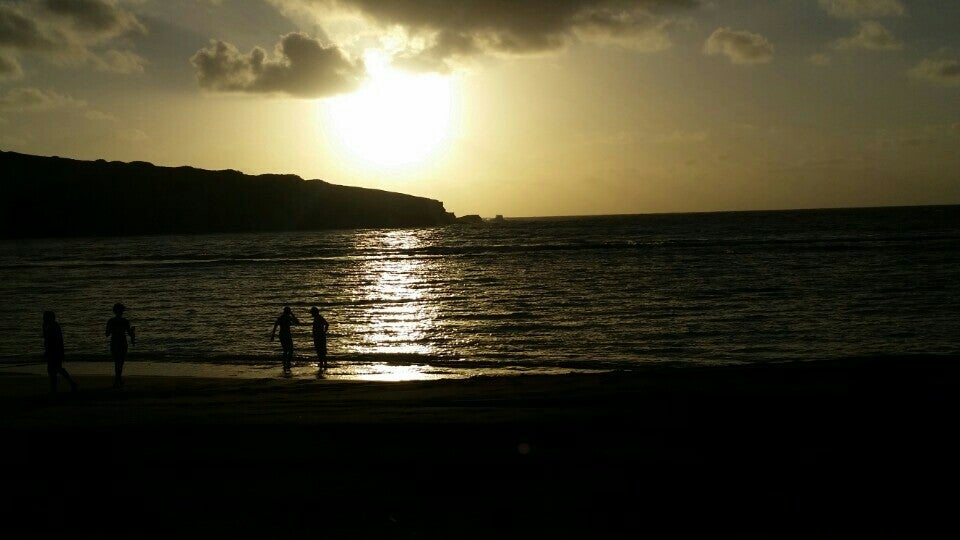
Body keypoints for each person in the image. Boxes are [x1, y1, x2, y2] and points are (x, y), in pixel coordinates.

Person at [42, 311, 77, 394]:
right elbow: (46, 339)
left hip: (55, 351)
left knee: (54, 369)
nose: (43, 319)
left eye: (45, 317)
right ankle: (58, 387)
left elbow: (57, 341)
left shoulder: (54, 326)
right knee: (55, 369)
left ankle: (56, 388)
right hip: (53, 350)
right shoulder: (48, 326)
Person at [106, 303, 135, 388]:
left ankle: (118, 380)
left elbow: (107, 334)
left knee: (116, 362)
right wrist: (132, 331)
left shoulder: (111, 321)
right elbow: (130, 334)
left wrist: (112, 329)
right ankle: (118, 380)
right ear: (123, 311)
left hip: (114, 341)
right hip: (122, 342)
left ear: (114, 311)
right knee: (121, 362)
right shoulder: (125, 321)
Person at [271, 306, 300, 372]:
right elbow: (298, 322)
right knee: (290, 350)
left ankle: (285, 362)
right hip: (286, 335)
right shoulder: (288, 317)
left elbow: (275, 326)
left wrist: (273, 335)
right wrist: (292, 314)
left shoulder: (281, 318)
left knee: (286, 350)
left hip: (282, 335)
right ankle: (287, 362)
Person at [310, 307, 330, 372]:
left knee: (321, 351)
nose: (311, 314)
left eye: (312, 312)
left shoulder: (319, 318)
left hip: (319, 337)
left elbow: (327, 324)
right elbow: (326, 324)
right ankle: (322, 364)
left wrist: (324, 332)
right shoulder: (317, 318)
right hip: (318, 336)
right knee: (320, 351)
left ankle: (324, 364)